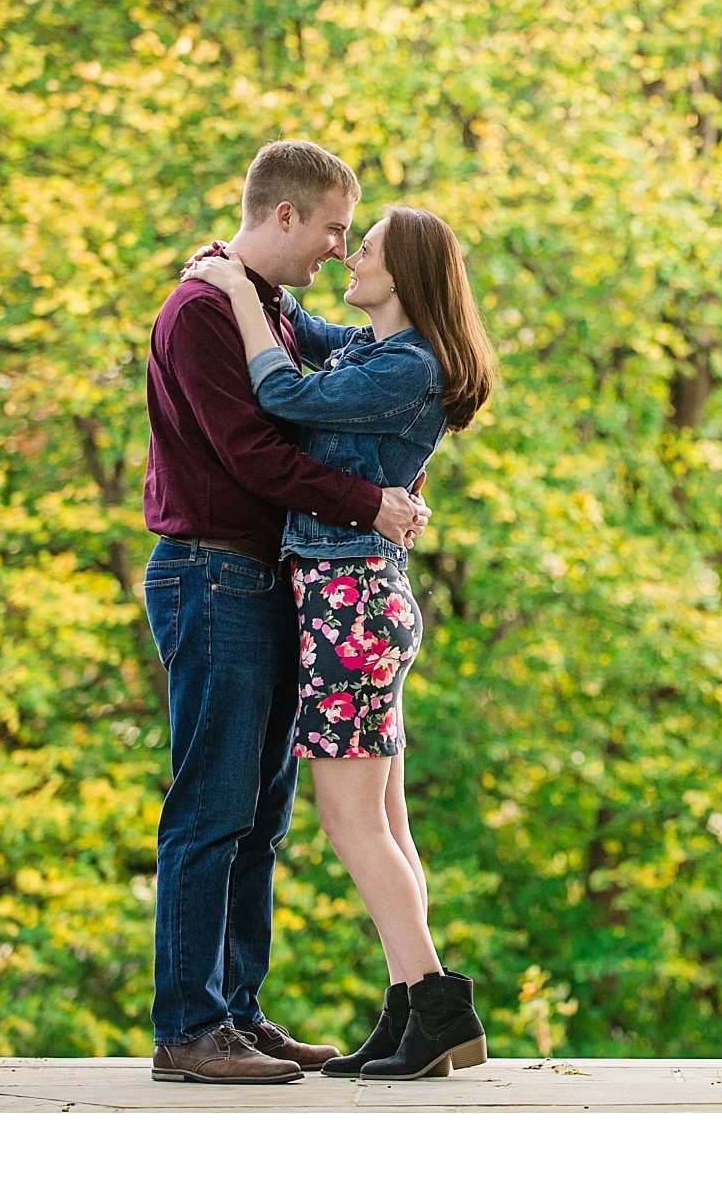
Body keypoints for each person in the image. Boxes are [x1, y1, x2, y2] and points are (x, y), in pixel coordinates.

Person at [180, 202, 497, 1080]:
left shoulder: (406, 366)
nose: (347, 258)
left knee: (352, 822)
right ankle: (410, 1010)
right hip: (358, 600)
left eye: (364, 249)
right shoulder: (376, 349)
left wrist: (232, 296)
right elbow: (309, 332)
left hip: (349, 605)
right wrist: (239, 270)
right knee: (386, 822)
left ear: (407, 275)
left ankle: (437, 1007)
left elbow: (283, 390)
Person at [140, 140, 431, 1085]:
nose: (338, 252)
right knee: (209, 809)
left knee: (261, 816)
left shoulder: (262, 306)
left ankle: (237, 1012)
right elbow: (251, 457)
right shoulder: (199, 314)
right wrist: (369, 503)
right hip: (212, 573)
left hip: (266, 581)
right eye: (335, 230)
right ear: (284, 218)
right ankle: (188, 1028)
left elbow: (332, 380)